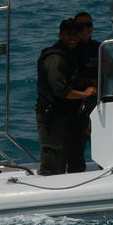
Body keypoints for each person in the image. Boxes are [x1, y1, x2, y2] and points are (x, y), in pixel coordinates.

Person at [35, 18, 96, 175]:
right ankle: (51, 190)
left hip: (71, 113)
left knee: (76, 152)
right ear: (60, 35)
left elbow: (71, 79)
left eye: (75, 34)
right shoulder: (55, 58)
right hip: (53, 115)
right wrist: (85, 93)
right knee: (54, 157)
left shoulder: (72, 54)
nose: (72, 38)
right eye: (68, 34)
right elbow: (61, 91)